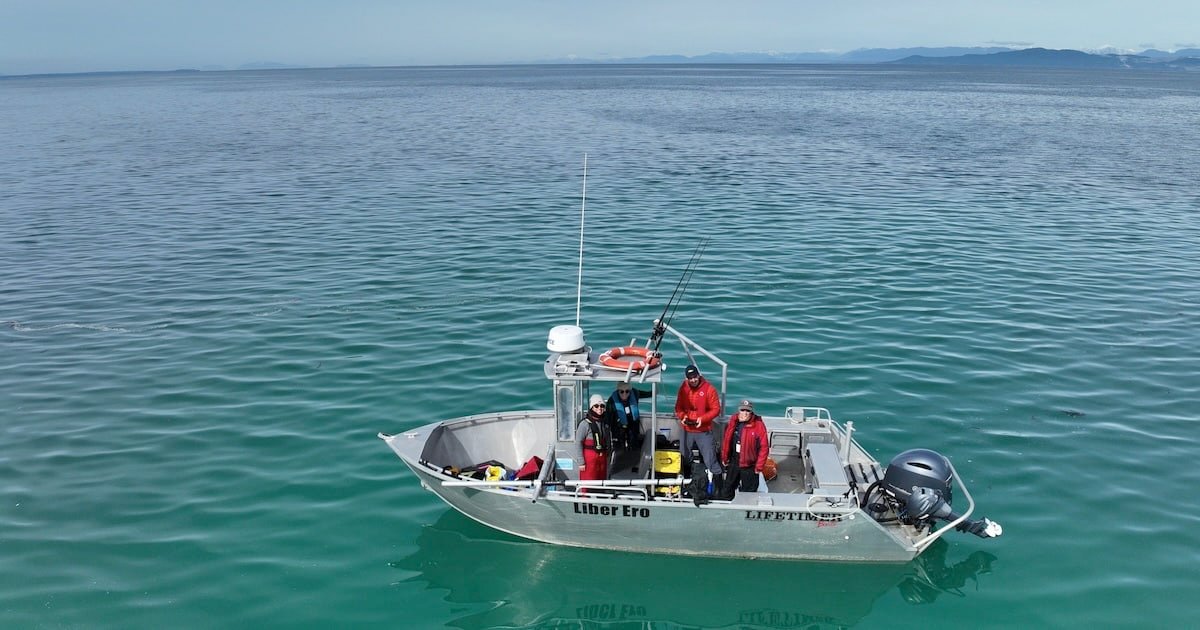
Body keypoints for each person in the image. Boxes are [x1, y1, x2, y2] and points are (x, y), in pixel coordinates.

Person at [674, 364, 722, 482]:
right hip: (687, 428)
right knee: (684, 456)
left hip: (703, 429)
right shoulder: (683, 388)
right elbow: (678, 407)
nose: (693, 380)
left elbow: (716, 409)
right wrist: (682, 417)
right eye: (690, 378)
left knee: (710, 459)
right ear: (687, 379)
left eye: (695, 377)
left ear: (699, 376)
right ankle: (688, 481)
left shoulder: (709, 389)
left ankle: (718, 486)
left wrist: (703, 419)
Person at [720, 399, 770, 498]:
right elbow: (726, 440)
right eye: (743, 410)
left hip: (750, 465)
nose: (745, 413)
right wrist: (725, 458)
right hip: (734, 461)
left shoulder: (759, 425)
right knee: (727, 488)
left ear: (751, 412)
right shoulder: (733, 421)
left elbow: (764, 448)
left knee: (749, 493)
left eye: (748, 411)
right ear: (739, 411)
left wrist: (759, 466)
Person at [576, 394, 613, 486]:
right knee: (588, 483)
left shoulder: (605, 423)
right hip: (589, 459)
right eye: (596, 406)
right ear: (591, 407)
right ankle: (585, 499)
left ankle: (600, 497)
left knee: (601, 481)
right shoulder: (584, 424)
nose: (599, 408)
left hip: (602, 458)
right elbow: (578, 443)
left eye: (602, 406)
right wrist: (581, 462)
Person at [607, 381, 652, 451]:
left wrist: (654, 391)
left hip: (632, 424)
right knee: (619, 447)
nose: (624, 394)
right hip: (618, 426)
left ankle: (634, 456)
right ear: (618, 391)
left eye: (627, 391)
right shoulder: (611, 401)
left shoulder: (635, 393)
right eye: (622, 391)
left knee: (634, 443)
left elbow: (647, 394)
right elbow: (608, 418)